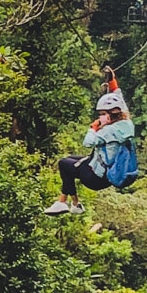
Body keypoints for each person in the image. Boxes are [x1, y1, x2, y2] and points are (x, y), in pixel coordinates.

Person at [45, 78, 137, 215]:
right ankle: (68, 203)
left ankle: (69, 203)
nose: (100, 117)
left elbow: (88, 142)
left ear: (112, 114)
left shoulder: (109, 131)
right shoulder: (126, 124)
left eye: (103, 114)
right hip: (106, 173)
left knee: (64, 164)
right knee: (70, 159)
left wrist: (93, 128)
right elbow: (120, 100)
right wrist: (112, 82)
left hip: (95, 178)